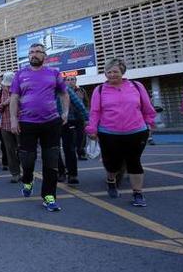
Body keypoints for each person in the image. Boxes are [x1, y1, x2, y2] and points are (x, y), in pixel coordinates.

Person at [85, 58, 156, 207]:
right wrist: (92, 129)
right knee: (112, 164)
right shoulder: (99, 90)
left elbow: (147, 106)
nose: (112, 75)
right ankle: (111, 181)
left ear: (122, 72)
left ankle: (138, 193)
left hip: (136, 130)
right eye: (108, 72)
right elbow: (95, 112)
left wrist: (150, 123)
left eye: (115, 71)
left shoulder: (136, 86)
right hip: (109, 132)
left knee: (134, 162)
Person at [10, 43, 69, 212]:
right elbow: (14, 97)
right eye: (31, 52)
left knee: (51, 160)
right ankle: (28, 180)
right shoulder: (20, 74)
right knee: (27, 160)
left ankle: (49, 196)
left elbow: (64, 94)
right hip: (27, 123)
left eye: (38, 52)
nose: (34, 55)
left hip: (51, 123)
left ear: (45, 56)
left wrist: (65, 113)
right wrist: (13, 119)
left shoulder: (54, 73)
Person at [57, 84, 89, 185]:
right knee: (55, 149)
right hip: (51, 122)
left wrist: (87, 119)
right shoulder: (42, 89)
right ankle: (62, 172)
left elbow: (78, 103)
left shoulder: (65, 88)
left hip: (67, 121)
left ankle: (71, 174)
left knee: (69, 148)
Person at [0, 71, 21, 183]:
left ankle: (26, 172)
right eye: (6, 85)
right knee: (10, 151)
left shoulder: (20, 91)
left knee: (22, 149)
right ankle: (15, 173)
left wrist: (15, 99)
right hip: (5, 126)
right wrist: (5, 103)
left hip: (19, 124)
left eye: (10, 85)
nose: (7, 87)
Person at [65, 76, 89, 160]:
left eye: (72, 79)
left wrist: (87, 117)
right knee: (71, 137)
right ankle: (71, 154)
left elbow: (85, 103)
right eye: (68, 80)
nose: (70, 81)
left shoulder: (81, 90)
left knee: (81, 136)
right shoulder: (64, 91)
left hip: (80, 117)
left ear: (75, 81)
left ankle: (81, 153)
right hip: (69, 118)